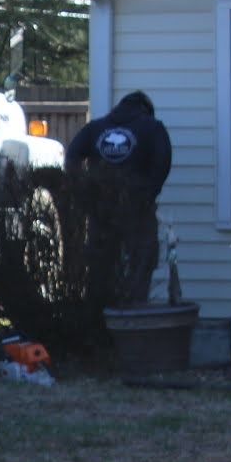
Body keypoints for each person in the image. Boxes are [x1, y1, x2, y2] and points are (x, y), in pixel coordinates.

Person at [65, 90, 173, 306]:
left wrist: (86, 193)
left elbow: (72, 155)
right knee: (141, 266)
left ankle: (100, 319)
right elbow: (163, 162)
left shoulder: (96, 128)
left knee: (100, 269)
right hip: (138, 210)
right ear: (146, 110)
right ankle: (134, 317)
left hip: (101, 210)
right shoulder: (152, 128)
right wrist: (149, 192)